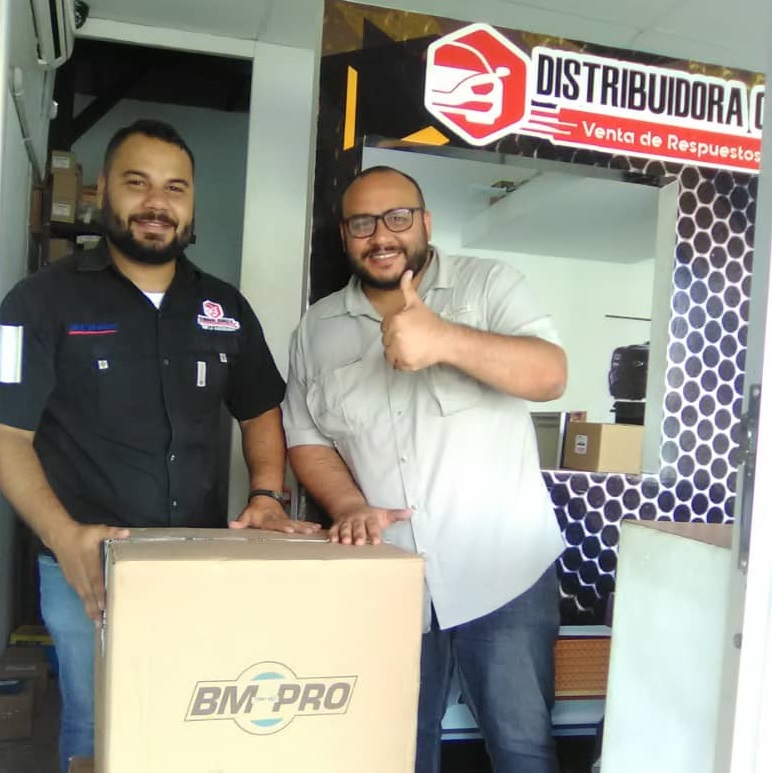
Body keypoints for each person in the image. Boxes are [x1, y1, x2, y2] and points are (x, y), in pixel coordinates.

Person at [0, 119, 318, 772]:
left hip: (195, 561)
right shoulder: (37, 302)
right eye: (137, 182)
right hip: (86, 566)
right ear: (103, 191)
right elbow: (6, 434)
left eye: (175, 188)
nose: (157, 202)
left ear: (192, 203)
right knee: (97, 725)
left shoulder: (224, 307)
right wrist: (63, 535)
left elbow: (261, 407)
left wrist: (266, 491)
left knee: (189, 715)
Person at [282, 165, 567, 773]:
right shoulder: (316, 330)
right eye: (363, 223)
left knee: (523, 749)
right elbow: (306, 439)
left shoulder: (488, 286)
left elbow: (550, 375)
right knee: (396, 749)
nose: (381, 235)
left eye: (398, 217)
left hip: (504, 571)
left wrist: (445, 340)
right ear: (345, 236)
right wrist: (349, 505)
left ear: (425, 223)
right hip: (391, 575)